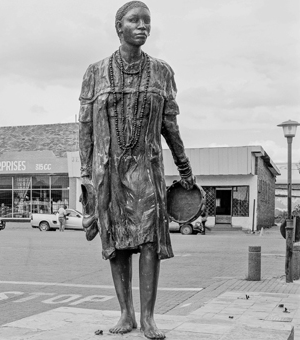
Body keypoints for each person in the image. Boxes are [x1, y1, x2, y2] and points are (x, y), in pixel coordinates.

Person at [78, 2, 195, 339]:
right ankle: (125, 314)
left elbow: (170, 125)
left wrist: (184, 166)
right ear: (119, 27)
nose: (142, 26)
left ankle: (148, 318)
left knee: (148, 240)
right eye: (134, 20)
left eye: (147, 21)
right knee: (116, 241)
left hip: (146, 166)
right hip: (109, 169)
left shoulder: (161, 71)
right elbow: (85, 127)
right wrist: (86, 174)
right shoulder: (95, 72)